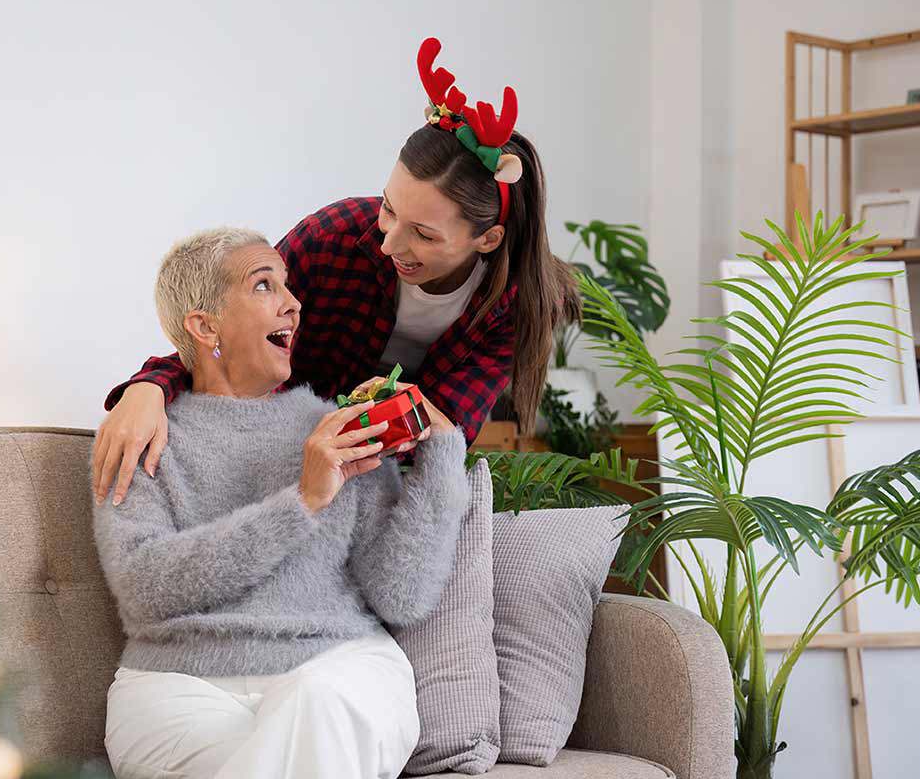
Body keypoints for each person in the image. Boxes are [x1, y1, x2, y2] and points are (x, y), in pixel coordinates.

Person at [92, 226, 470, 779]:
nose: (293, 302)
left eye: (288, 286)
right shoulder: (140, 436)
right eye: (265, 285)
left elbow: (403, 595)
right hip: (175, 694)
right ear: (205, 327)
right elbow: (145, 590)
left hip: (340, 668)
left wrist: (444, 452)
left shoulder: (335, 427)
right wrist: (303, 500)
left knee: (316, 708)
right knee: (322, 767)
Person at [94, 37, 580, 504]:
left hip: (383, 489)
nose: (389, 242)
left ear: (487, 239)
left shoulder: (519, 302)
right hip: (277, 463)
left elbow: (449, 431)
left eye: (424, 235)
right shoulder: (335, 237)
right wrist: (149, 386)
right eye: (389, 209)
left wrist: (391, 408)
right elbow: (230, 331)